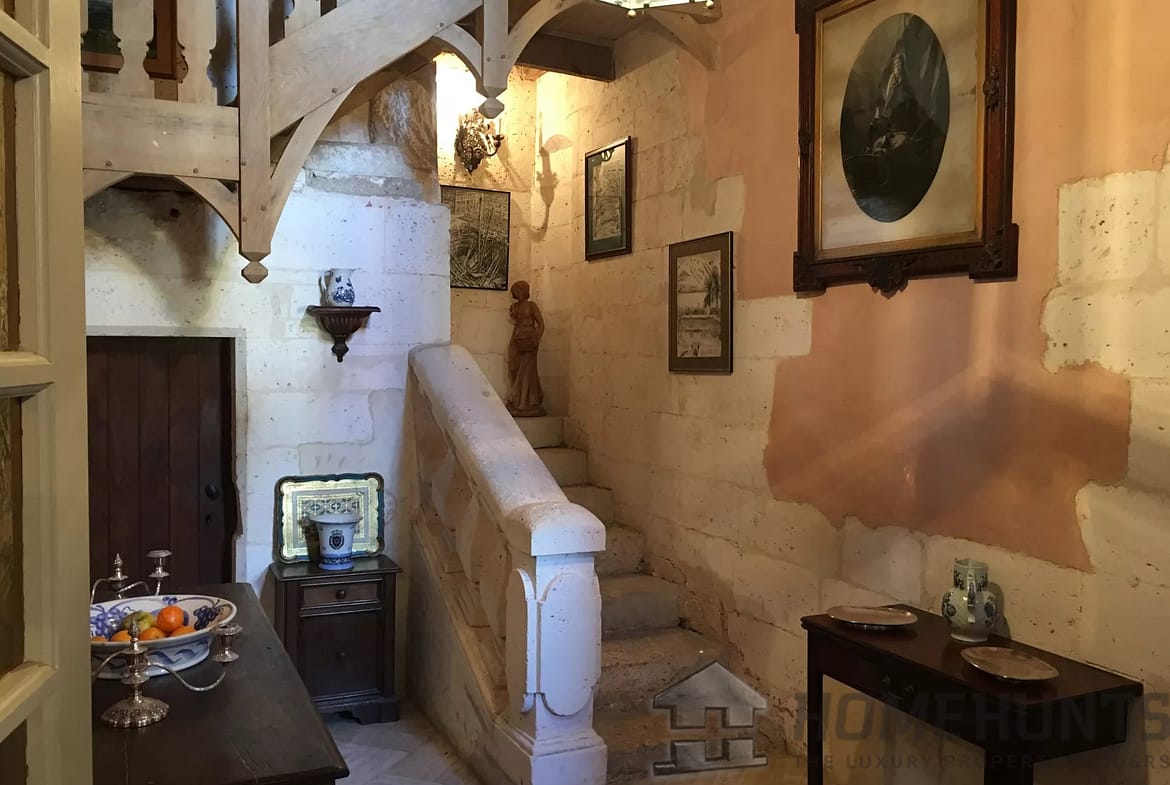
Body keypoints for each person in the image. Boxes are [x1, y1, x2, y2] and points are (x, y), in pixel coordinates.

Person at [505, 281, 546, 418]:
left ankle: (524, 402)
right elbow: (516, 323)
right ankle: (518, 399)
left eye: (518, 290)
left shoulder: (531, 306)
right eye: (515, 291)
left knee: (526, 369)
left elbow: (541, 324)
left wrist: (536, 339)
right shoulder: (514, 307)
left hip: (530, 338)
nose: (516, 293)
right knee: (514, 366)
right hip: (517, 337)